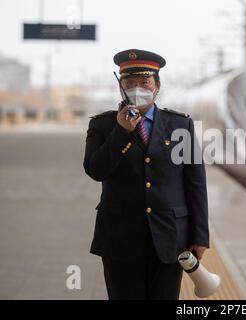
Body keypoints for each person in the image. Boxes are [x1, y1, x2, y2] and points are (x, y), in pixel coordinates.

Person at [83, 48, 209, 300]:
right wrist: (121, 132)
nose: (137, 88)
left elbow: (195, 182)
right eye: (130, 83)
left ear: (157, 86)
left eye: (144, 82)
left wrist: (200, 236)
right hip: (120, 239)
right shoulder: (102, 125)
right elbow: (95, 170)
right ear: (121, 88)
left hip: (170, 238)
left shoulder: (179, 125)